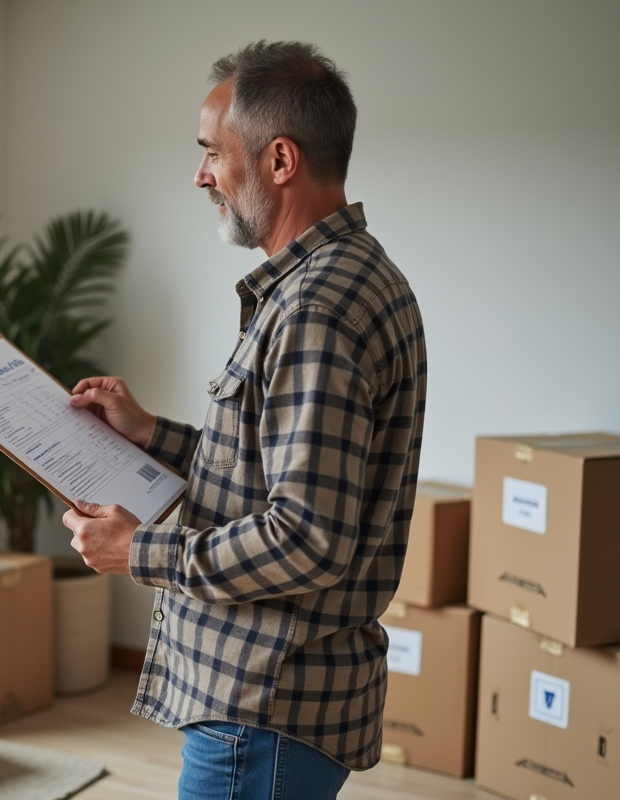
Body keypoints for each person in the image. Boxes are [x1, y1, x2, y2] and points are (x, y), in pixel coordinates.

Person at [61, 41, 427, 800]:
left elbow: (305, 538)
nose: (200, 175)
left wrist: (141, 552)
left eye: (212, 153)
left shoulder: (316, 309)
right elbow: (270, 471)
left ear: (280, 160)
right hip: (271, 707)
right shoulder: (350, 275)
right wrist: (151, 433)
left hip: (263, 710)